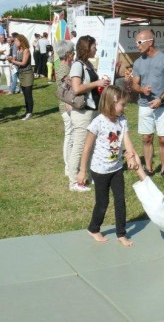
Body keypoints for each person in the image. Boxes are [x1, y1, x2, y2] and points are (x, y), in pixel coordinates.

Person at [77, 85, 137, 246]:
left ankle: (121, 233)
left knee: (120, 200)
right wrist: (82, 171)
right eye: (122, 105)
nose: (124, 108)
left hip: (116, 168)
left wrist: (130, 155)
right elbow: (87, 148)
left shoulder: (122, 120)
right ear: (112, 102)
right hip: (100, 170)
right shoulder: (98, 123)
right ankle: (93, 228)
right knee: (102, 202)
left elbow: (127, 141)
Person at [132, 29, 164, 180]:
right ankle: (149, 168)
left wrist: (161, 99)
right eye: (136, 42)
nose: (137, 45)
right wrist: (142, 89)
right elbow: (134, 85)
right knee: (147, 138)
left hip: (163, 106)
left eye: (139, 42)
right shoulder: (138, 63)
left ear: (150, 42)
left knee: (163, 139)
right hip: (144, 105)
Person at [68, 35, 111, 192]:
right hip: (82, 112)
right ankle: (73, 181)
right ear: (87, 47)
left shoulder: (88, 65)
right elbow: (77, 88)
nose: (96, 49)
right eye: (94, 47)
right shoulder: (77, 65)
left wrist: (102, 83)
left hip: (92, 110)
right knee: (79, 147)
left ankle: (88, 176)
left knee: (91, 146)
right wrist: (96, 83)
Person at [54, 40, 75, 177]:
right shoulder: (64, 68)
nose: (74, 54)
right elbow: (68, 87)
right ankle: (68, 166)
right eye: (72, 52)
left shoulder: (63, 67)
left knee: (71, 135)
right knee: (70, 136)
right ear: (68, 54)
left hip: (66, 106)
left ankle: (70, 164)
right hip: (67, 107)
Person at [7, 34, 34, 120]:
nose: (15, 42)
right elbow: (18, 61)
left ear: (21, 41)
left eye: (17, 41)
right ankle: (27, 111)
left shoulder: (26, 50)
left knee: (28, 94)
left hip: (28, 74)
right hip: (21, 74)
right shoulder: (19, 50)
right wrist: (11, 59)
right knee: (25, 94)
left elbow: (23, 63)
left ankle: (30, 113)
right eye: (15, 41)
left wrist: (13, 61)